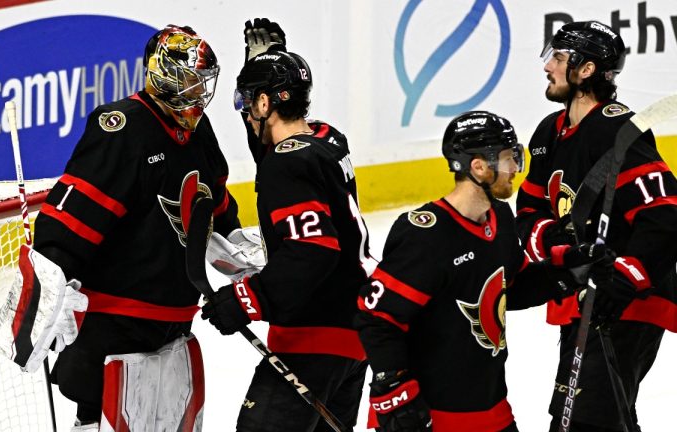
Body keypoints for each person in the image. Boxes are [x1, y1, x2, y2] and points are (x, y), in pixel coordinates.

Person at [32, 24, 242, 429]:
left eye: (201, 83)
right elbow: (70, 220)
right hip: (115, 326)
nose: (196, 92)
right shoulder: (123, 128)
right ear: (160, 74)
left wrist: (237, 247)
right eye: (187, 80)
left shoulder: (200, 131)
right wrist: (51, 290)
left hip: (175, 324)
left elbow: (214, 206)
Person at [355, 111, 612, 432]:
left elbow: (510, 288)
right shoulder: (426, 234)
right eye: (508, 159)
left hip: (490, 409)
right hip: (431, 416)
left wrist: (566, 270)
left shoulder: (500, 219)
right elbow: (377, 317)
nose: (516, 168)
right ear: (478, 167)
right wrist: (393, 391)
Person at [200, 18, 374, 432]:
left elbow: (312, 251)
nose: (244, 113)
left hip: (313, 339)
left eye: (248, 103)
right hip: (354, 337)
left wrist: (247, 298)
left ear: (264, 105)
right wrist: (269, 70)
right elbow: (284, 156)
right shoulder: (330, 142)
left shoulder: (287, 165)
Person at [515, 20, 677, 431]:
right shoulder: (548, 134)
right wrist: (551, 243)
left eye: (558, 57)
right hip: (581, 296)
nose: (548, 66)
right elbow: (529, 210)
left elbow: (665, 214)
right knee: (584, 417)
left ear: (585, 70)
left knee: (587, 419)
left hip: (626, 303)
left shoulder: (615, 130)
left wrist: (623, 280)